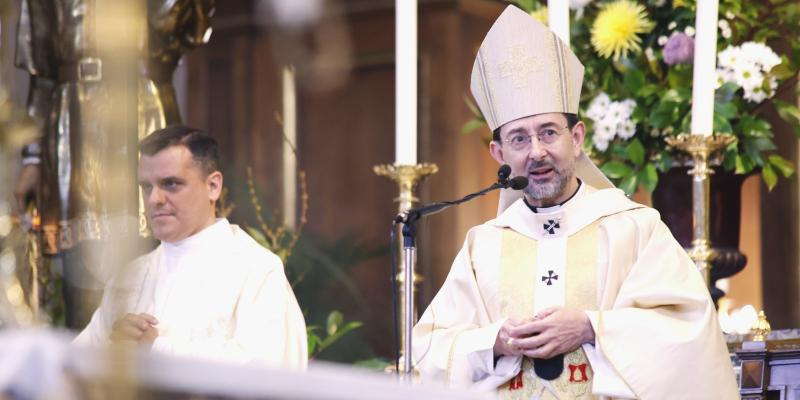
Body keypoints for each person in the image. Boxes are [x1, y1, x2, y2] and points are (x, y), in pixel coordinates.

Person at [412, 6, 738, 399]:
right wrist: (493, 341)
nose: (536, 152)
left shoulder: (633, 228)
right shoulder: (484, 246)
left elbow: (688, 333)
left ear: (577, 137)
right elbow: (426, 354)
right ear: (498, 154)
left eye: (549, 132)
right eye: (519, 139)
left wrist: (590, 327)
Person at [75, 126, 308, 368]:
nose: (154, 199)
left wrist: (158, 348)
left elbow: (272, 374)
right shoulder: (128, 279)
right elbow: (72, 367)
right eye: (146, 187)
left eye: (171, 184)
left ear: (213, 186)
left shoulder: (256, 271)